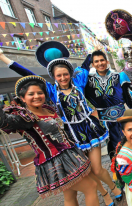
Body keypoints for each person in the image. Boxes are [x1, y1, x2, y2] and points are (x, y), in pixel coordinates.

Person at [0, 43, 122, 206]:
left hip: (90, 130)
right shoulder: (50, 91)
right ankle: (106, 195)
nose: (63, 78)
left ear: (70, 74)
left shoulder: (78, 81)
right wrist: (2, 57)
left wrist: (96, 47)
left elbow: (88, 61)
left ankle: (115, 189)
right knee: (88, 172)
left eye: (66, 74)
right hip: (72, 136)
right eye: (59, 76)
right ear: (53, 76)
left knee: (97, 168)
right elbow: (26, 73)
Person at [0, 75, 99, 205]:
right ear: (22, 98)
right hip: (55, 162)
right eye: (31, 94)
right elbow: (3, 121)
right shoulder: (23, 118)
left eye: (39, 92)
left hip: (70, 155)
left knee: (70, 195)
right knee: (91, 187)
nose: (36, 96)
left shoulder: (48, 109)